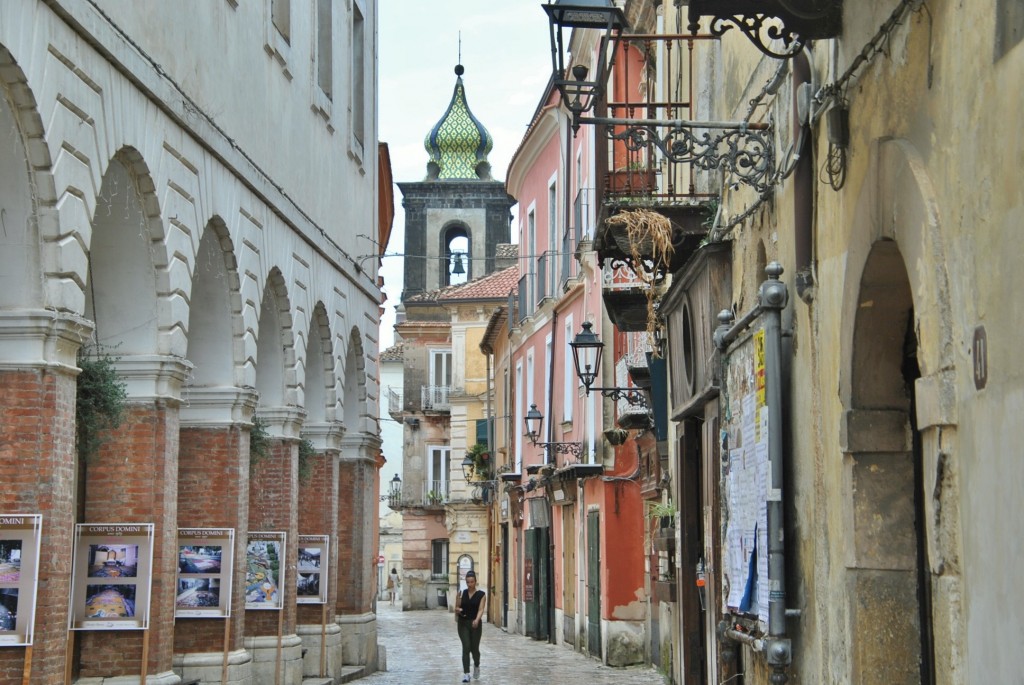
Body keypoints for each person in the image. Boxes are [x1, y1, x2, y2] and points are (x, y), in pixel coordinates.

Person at [455, 570, 486, 682]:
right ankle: (466, 673)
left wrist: (477, 620)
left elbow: (481, 609)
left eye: (472, 582)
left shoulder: (481, 595)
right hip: (463, 623)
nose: (469, 584)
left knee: (474, 649)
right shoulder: (462, 593)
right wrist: (457, 609)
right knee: (466, 646)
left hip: (475, 624)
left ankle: (476, 665)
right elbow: (457, 607)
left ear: (475, 582)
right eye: (468, 582)